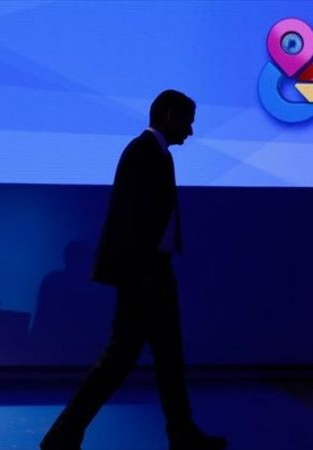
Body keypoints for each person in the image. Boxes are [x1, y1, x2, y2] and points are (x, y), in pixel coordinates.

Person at [40, 90, 227, 450]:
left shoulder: (155, 153)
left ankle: (181, 432)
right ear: (169, 115)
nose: (190, 130)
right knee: (120, 358)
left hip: (154, 271)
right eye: (187, 121)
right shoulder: (143, 152)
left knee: (166, 357)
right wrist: (140, 275)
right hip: (143, 274)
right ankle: (62, 435)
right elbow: (131, 221)